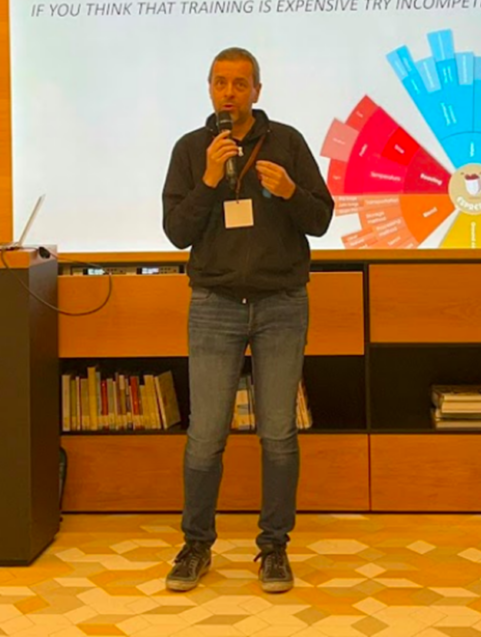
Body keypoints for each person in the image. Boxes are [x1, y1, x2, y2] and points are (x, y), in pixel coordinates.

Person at [162, 47, 334, 594]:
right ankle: (195, 545)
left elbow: (322, 218)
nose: (229, 92)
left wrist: (290, 192)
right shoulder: (192, 150)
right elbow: (176, 232)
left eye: (240, 83)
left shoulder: (287, 142)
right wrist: (211, 178)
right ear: (209, 90)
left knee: (279, 433)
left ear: (258, 91)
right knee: (206, 434)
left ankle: (275, 548)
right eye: (220, 83)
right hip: (214, 305)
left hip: (281, 303)